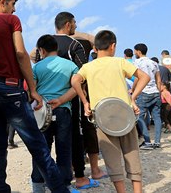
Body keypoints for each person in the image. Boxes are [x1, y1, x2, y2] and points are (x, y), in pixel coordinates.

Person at [0, 0, 78, 193]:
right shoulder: (11, 21)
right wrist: (33, 89)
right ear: (3, 2)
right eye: (13, 4)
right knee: (38, 146)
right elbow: (20, 53)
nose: (14, 9)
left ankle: (0, 189)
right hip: (10, 87)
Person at [72, 30, 150, 193]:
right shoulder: (120, 62)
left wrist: (86, 103)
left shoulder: (87, 67)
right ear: (113, 46)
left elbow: (75, 80)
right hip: (124, 116)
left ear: (95, 48)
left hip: (102, 118)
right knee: (132, 154)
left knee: (111, 157)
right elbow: (144, 77)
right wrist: (132, 98)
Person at [50, 12, 104, 188]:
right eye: (74, 23)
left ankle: (62, 173)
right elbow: (81, 75)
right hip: (75, 97)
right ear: (67, 25)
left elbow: (32, 54)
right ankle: (86, 174)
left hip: (51, 99)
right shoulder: (74, 44)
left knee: (55, 137)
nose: (76, 26)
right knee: (81, 133)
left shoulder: (46, 43)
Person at [30, 35, 80, 193]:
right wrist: (61, 99)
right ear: (56, 49)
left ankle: (38, 185)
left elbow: (32, 90)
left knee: (41, 150)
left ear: (42, 50)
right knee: (64, 149)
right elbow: (77, 88)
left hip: (42, 112)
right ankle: (65, 185)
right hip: (63, 110)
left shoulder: (37, 67)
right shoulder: (70, 65)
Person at [133, 43, 163, 150]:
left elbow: (137, 78)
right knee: (157, 117)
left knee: (139, 116)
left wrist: (133, 90)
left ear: (138, 51)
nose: (134, 53)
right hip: (155, 92)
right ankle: (157, 141)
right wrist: (158, 92)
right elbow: (158, 80)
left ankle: (147, 142)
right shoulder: (154, 63)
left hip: (144, 92)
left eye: (135, 51)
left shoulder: (137, 62)